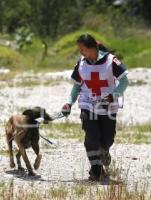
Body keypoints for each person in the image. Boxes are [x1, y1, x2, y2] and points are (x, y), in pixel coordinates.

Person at [61, 34, 129, 181]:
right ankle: (96, 170)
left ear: (92, 48)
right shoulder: (81, 64)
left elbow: (124, 82)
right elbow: (76, 86)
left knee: (107, 139)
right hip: (87, 105)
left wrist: (112, 96)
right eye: (79, 49)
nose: (80, 53)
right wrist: (69, 103)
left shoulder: (111, 61)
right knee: (91, 137)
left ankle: (104, 152)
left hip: (107, 107)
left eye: (83, 49)